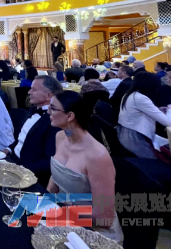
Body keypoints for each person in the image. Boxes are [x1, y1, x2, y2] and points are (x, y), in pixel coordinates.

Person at [47, 90, 123, 242]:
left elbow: (104, 217)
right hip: (66, 218)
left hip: (96, 232)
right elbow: (57, 174)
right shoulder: (60, 137)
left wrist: (61, 213)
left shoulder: (97, 156)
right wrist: (47, 199)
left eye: (53, 108)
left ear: (70, 116)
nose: (48, 112)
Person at [4, 76, 61, 185]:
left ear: (49, 95)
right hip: (13, 160)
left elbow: (50, 160)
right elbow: (22, 139)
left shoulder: (54, 121)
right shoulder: (32, 110)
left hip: (30, 176)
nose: (29, 92)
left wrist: (21, 169)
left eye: (34, 89)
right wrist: (8, 149)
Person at [117, 72, 171, 159]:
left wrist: (158, 110)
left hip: (127, 133)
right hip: (136, 138)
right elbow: (167, 122)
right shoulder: (140, 98)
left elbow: (138, 112)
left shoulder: (131, 94)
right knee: (169, 156)